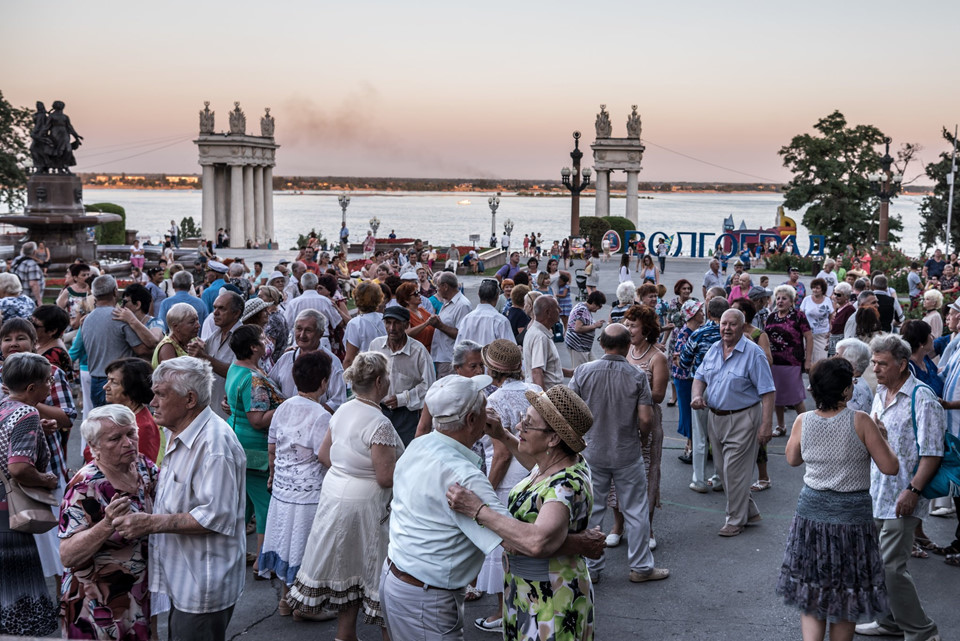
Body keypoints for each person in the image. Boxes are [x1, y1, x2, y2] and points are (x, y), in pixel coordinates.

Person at [444, 384, 599, 641]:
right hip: (529, 590)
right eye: (521, 419)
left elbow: (537, 541)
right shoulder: (555, 464)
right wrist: (502, 435)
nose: (519, 427)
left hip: (550, 597)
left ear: (553, 439)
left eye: (527, 424)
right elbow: (538, 470)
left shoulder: (565, 485)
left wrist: (477, 509)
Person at [112, 357, 245, 641]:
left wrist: (150, 523)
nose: (153, 402)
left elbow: (215, 516)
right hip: (184, 577)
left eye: (161, 394)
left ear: (190, 399)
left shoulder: (214, 445)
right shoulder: (178, 430)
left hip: (201, 583)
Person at [776, 358, 899, 641]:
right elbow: (890, 467)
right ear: (845, 390)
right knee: (846, 591)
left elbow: (792, 459)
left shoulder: (803, 420)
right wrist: (883, 437)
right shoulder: (861, 421)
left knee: (813, 588)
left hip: (811, 514)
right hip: (851, 518)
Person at [287, 352, 403, 638]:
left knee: (346, 569)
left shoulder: (342, 410)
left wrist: (348, 470)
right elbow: (385, 477)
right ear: (379, 382)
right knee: (376, 572)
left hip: (334, 496)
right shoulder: (380, 423)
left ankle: (345, 634)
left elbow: (324, 454)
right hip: (366, 506)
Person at [853, 335, 944, 639]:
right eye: (874, 363)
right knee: (877, 565)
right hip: (877, 492)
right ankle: (889, 621)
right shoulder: (881, 392)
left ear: (902, 364)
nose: (875, 369)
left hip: (903, 496)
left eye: (882, 363)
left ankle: (922, 631)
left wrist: (913, 491)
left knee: (891, 567)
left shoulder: (922, 397)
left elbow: (933, 453)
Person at [571, 322, 670, 585]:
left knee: (593, 511)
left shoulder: (583, 371)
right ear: (627, 346)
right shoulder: (636, 375)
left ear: (602, 344)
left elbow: (569, 409)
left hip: (592, 451)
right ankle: (641, 567)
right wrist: (643, 437)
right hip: (626, 451)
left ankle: (591, 567)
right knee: (636, 510)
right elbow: (646, 418)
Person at [59, 405, 160, 640]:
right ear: (94, 447)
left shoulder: (143, 467)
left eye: (131, 433)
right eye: (115, 438)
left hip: (137, 595)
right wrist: (106, 524)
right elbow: (67, 555)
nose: (128, 443)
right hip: (95, 606)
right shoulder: (84, 487)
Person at [472, 340, 541, 632]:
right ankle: (530, 607)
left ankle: (504, 612)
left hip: (508, 481)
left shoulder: (494, 400)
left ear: (491, 370)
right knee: (527, 542)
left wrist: (485, 492)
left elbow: (500, 455)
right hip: (536, 471)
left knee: (504, 545)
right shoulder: (535, 390)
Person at [258, 351, 332, 616]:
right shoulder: (321, 415)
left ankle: (286, 600)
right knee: (305, 548)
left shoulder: (283, 407)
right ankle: (307, 607)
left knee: (286, 544)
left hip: (282, 490)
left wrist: (273, 475)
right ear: (323, 383)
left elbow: (272, 447)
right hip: (309, 494)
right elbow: (325, 456)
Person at [691, 309, 776, 537]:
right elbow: (699, 377)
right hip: (715, 417)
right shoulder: (714, 349)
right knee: (723, 471)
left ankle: (735, 520)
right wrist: (697, 396)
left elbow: (768, 391)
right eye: (723, 323)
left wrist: (766, 425)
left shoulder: (754, 354)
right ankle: (749, 510)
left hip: (743, 418)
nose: (726, 328)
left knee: (733, 472)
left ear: (742, 326)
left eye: (732, 324)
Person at [0, 353, 59, 637]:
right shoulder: (27, 414)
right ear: (32, 388)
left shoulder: (4, 406)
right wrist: (46, 479)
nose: (51, 385)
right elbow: (20, 467)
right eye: (47, 381)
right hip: (9, 508)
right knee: (18, 582)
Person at [226, 325, 286, 573]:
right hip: (256, 451)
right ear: (253, 347)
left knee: (246, 506)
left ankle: (232, 555)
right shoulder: (253, 378)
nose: (267, 341)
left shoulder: (237, 368)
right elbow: (258, 420)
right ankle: (263, 563)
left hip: (240, 444)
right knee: (265, 506)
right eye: (262, 338)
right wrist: (287, 406)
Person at [623, 304, 669, 549]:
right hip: (624, 422)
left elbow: (659, 395)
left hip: (649, 422)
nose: (628, 329)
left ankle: (648, 527)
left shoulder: (657, 357)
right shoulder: (625, 350)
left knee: (648, 473)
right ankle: (618, 526)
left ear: (647, 329)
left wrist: (631, 391)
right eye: (627, 325)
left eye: (633, 326)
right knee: (620, 475)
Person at [679, 295, 728, 492]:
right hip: (725, 388)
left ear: (708, 312)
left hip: (701, 387)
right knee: (720, 436)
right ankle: (718, 478)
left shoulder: (699, 333)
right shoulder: (732, 334)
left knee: (699, 435)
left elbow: (684, 361)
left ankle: (699, 480)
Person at [369, 306, 436, 445]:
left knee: (406, 450)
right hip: (379, 410)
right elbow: (367, 376)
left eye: (397, 323)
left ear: (406, 325)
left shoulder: (418, 352)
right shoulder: (376, 346)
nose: (392, 328)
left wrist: (402, 398)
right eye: (388, 323)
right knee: (379, 448)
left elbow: (429, 386)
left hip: (406, 414)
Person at [83, 275, 152, 407]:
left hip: (96, 382)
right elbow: (142, 350)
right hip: (119, 383)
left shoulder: (87, 319)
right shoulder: (119, 316)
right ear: (115, 291)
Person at [269, 309, 346, 414]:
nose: (302, 335)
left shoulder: (332, 363)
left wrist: (304, 414)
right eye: (299, 329)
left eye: (308, 330)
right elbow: (271, 388)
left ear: (320, 333)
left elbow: (338, 402)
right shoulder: (286, 358)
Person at [90, 358, 162, 465]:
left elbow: (141, 468)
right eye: (108, 380)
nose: (105, 387)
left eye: (114, 382)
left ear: (132, 389)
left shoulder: (142, 427)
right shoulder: (122, 417)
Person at [765, 284, 812, 437]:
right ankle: (781, 426)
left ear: (791, 301)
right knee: (777, 396)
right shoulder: (771, 316)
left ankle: (806, 427)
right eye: (778, 298)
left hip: (793, 362)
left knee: (795, 396)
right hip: (774, 362)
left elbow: (809, 337)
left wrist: (808, 360)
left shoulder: (799, 316)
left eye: (784, 298)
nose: (780, 301)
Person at [672, 300, 704, 464]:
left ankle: (691, 445)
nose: (703, 313)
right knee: (688, 413)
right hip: (684, 379)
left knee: (693, 413)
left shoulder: (694, 331)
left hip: (691, 378)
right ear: (691, 315)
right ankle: (691, 447)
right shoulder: (686, 334)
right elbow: (680, 359)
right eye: (699, 311)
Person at [430, 271, 472, 378]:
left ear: (445, 287)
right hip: (441, 357)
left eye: (438, 286)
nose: (437, 290)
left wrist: (439, 325)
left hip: (450, 359)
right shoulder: (447, 301)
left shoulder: (462, 305)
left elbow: (461, 334)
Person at [523, 295, 571, 389]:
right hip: (549, 393)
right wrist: (543, 397)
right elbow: (537, 372)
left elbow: (548, 368)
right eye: (557, 308)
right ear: (548, 312)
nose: (560, 310)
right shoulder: (540, 337)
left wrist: (571, 373)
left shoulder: (537, 332)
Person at [456, 279, 513, 348]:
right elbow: (510, 349)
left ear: (478, 294)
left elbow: (458, 347)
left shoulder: (466, 319)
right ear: (497, 296)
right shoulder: (501, 321)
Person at [342, 281, 386, 369]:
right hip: (384, 367)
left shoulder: (355, 323)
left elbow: (349, 359)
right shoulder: (385, 319)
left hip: (364, 371)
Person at [565, 291, 607, 368]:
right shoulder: (582, 310)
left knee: (594, 367)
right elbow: (578, 328)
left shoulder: (584, 308)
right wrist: (595, 325)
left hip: (584, 346)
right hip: (578, 345)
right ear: (594, 303)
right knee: (581, 370)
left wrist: (595, 324)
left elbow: (585, 323)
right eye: (600, 306)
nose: (599, 308)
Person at [152, 302, 200, 368]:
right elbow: (173, 373)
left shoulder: (193, 340)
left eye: (197, 320)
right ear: (176, 326)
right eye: (192, 322)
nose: (198, 325)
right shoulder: (167, 347)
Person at [800, 277, 832, 367]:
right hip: (808, 334)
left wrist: (830, 329)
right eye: (813, 287)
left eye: (817, 288)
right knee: (808, 361)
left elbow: (831, 316)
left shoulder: (828, 300)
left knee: (821, 361)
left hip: (822, 334)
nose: (815, 290)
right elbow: (801, 315)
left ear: (823, 290)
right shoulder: (806, 299)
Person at [835, 339, 874, 413]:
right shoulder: (859, 382)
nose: (834, 358)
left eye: (837, 354)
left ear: (851, 361)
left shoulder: (852, 389)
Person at [11, 242, 45, 307]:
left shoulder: (17, 260)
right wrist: (39, 301)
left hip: (17, 296)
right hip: (29, 300)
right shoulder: (32, 265)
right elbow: (33, 284)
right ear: (34, 252)